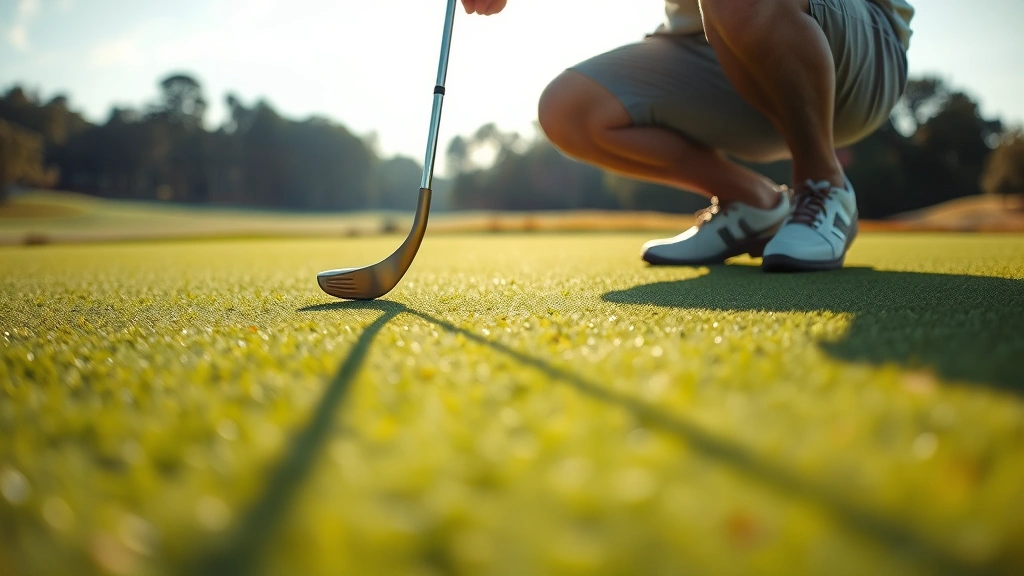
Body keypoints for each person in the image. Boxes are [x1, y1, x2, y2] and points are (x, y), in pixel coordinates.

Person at [460, 0, 913, 271]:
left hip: (848, 44)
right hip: (714, 46)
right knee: (568, 108)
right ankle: (753, 203)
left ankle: (823, 185)